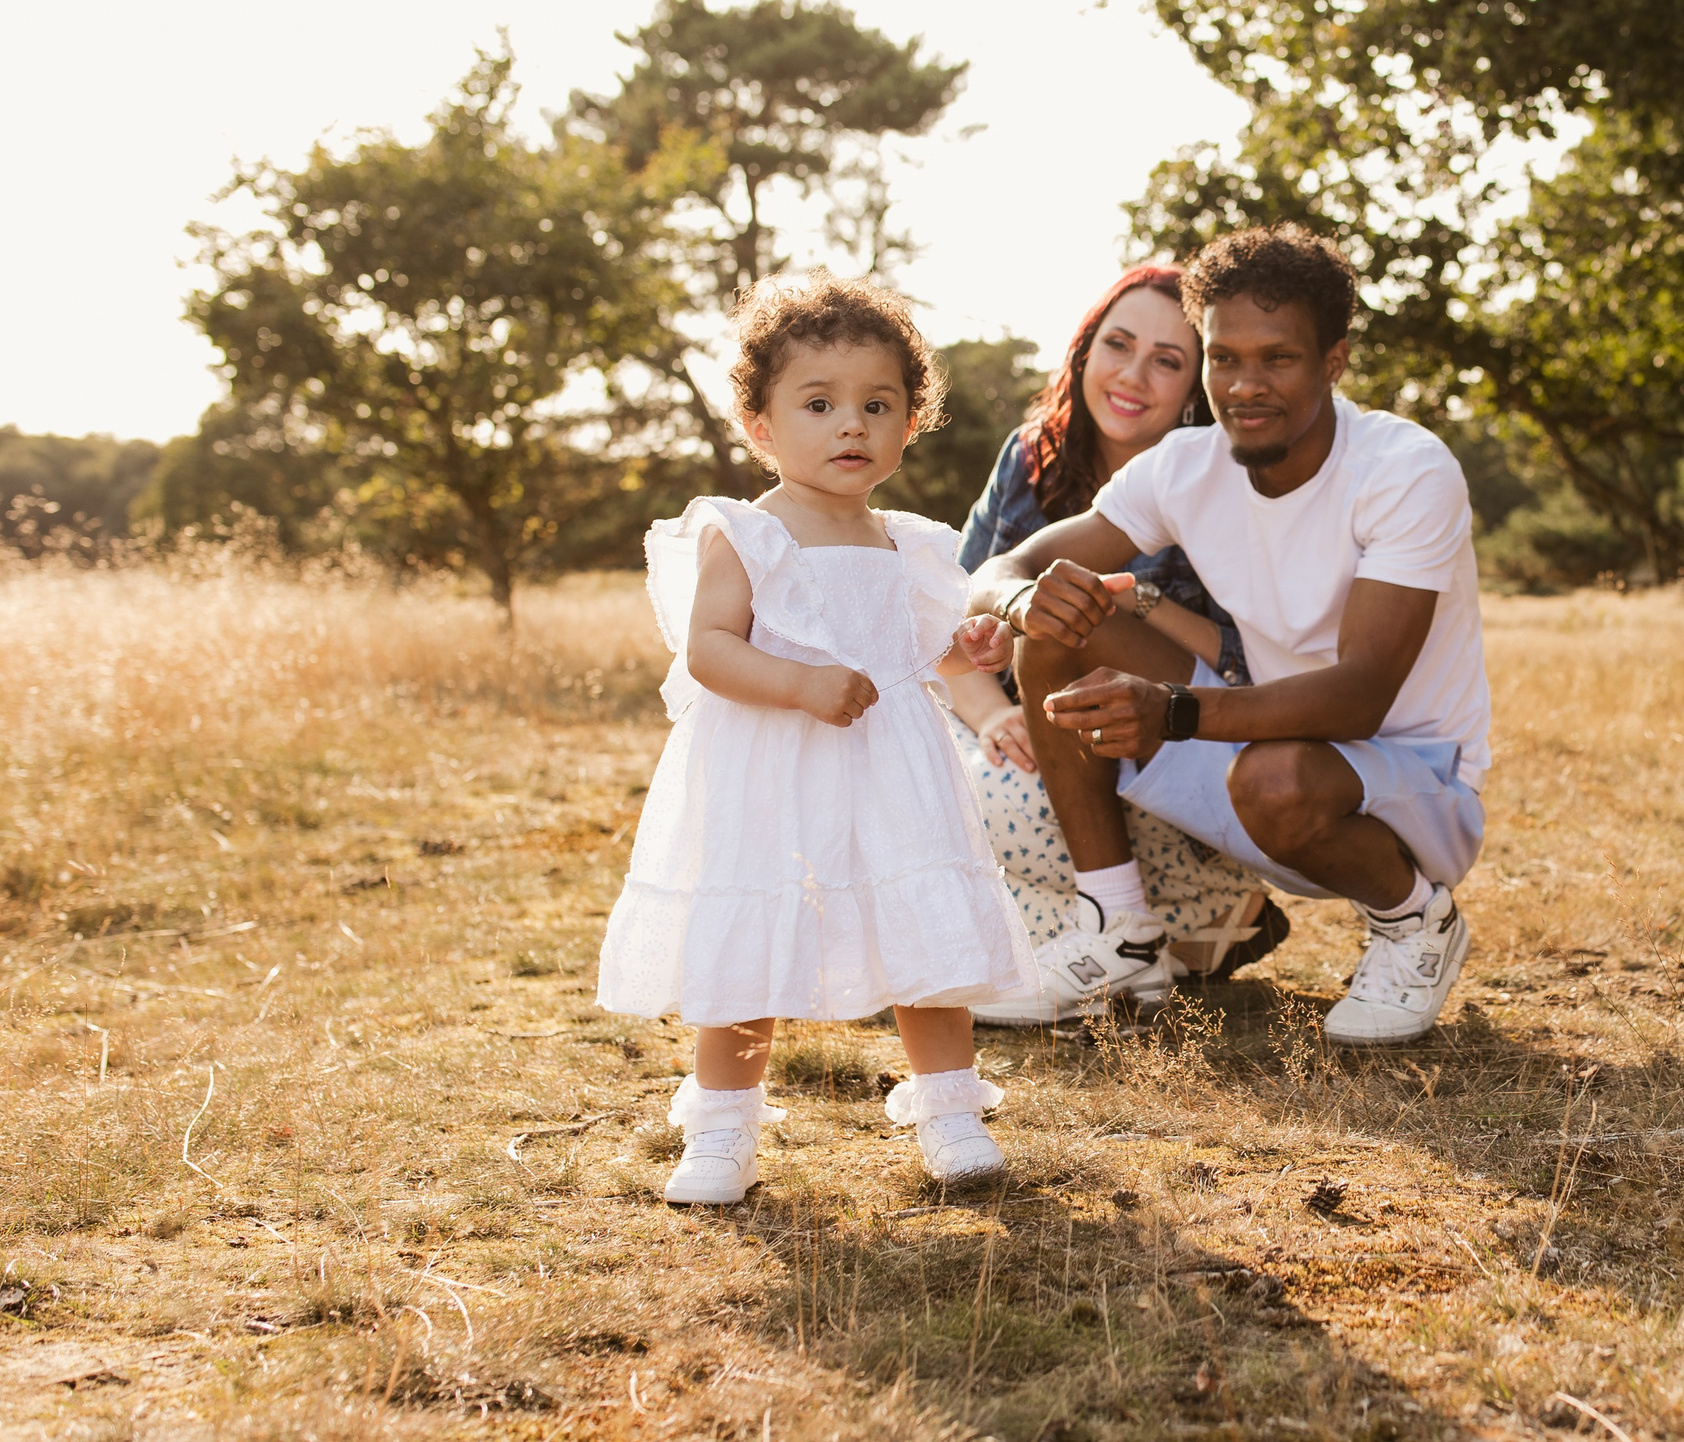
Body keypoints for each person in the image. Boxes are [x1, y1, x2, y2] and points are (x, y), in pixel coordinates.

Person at [959, 225, 1492, 1045]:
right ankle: (1121, 930)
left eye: (1277, 358)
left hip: (1408, 780)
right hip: (1255, 743)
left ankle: (1417, 921)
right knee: (1065, 619)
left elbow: (1359, 696)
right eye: (1223, 358)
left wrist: (1171, 711)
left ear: (1333, 360)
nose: (1245, 386)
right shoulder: (1184, 465)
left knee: (1276, 779)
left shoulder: (1404, 468)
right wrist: (1021, 602)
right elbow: (1012, 562)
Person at [595, 273, 1038, 1203]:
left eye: (877, 405)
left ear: (909, 422)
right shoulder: (748, 534)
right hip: (772, 766)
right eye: (820, 404)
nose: (851, 426)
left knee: (926, 940)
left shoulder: (908, 543)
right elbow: (710, 649)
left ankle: (949, 1108)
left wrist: (975, 655)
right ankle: (723, 1127)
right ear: (760, 425)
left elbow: (934, 654)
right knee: (753, 936)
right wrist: (799, 682)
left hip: (892, 773)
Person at [945, 265, 1285, 1025]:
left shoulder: (1228, 481)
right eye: (1117, 345)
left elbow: (1251, 661)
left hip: (1166, 737)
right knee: (914, 775)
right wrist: (990, 714)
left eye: (1167, 360)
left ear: (1195, 385)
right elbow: (960, 606)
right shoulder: (1033, 455)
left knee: (1001, 802)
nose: (1132, 376)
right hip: (1031, 734)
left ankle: (1166, 923)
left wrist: (1133, 604)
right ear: (1083, 350)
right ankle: (1173, 943)